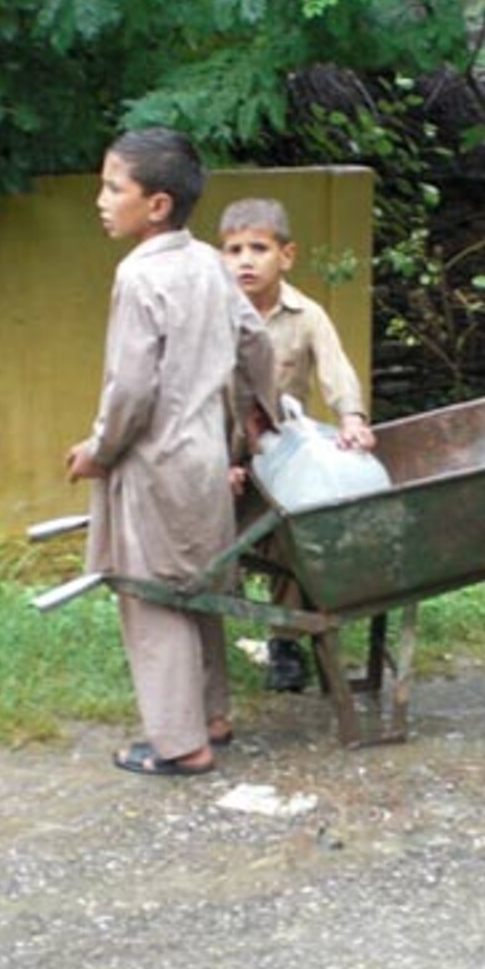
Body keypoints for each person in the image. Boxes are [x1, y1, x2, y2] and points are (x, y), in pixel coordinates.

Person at [66, 128, 277, 778]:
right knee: (200, 588)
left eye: (112, 187)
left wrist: (98, 449)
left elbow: (131, 388)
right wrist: (257, 418)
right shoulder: (211, 264)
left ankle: (182, 744)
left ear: (156, 205)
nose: (101, 199)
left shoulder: (139, 276)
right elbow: (257, 343)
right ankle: (212, 714)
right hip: (207, 462)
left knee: (154, 597)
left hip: (156, 466)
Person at [218, 197, 374, 692]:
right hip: (218, 450)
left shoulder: (307, 315)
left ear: (285, 255)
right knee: (210, 547)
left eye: (258, 248)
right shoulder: (213, 316)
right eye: (234, 249)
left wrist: (351, 417)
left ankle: (285, 641)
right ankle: (201, 644)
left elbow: (336, 370)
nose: (245, 260)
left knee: (293, 539)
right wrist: (217, 461)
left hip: (281, 454)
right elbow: (196, 393)